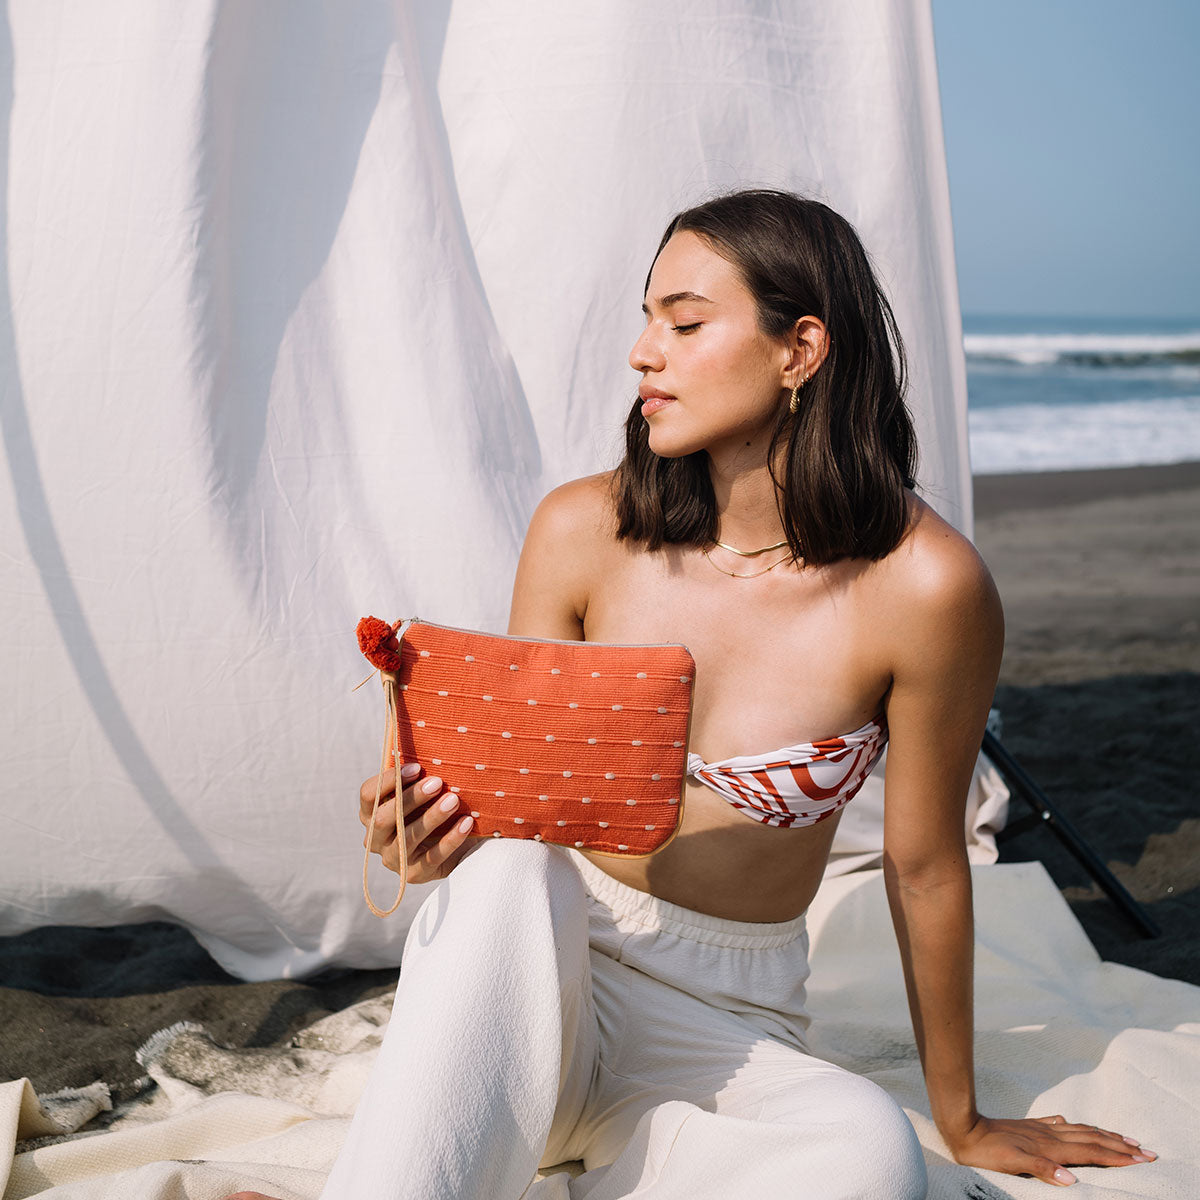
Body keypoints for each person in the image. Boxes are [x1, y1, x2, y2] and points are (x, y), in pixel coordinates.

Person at [231, 190, 1152, 1199]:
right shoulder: (582, 531)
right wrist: (423, 838)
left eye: (683, 322)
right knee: (508, 874)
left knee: (871, 1158)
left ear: (800, 349)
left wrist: (961, 1118)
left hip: (725, 1024)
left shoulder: (927, 588)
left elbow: (926, 866)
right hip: (547, 974)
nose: (642, 354)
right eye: (646, 321)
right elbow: (518, 816)